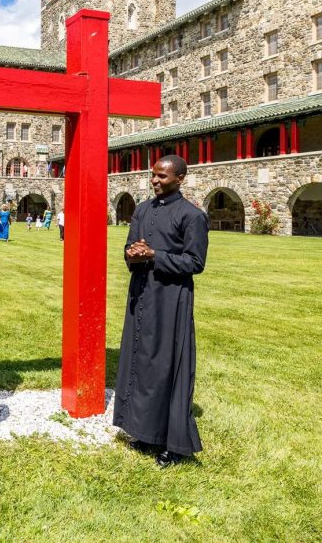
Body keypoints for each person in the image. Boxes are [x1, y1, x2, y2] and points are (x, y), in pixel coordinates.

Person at [113, 155, 208, 469]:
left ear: (180, 178)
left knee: (166, 364)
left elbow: (195, 263)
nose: (155, 181)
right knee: (140, 361)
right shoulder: (142, 210)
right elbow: (130, 249)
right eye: (153, 176)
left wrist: (155, 254)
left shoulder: (191, 216)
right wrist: (133, 254)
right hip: (141, 293)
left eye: (162, 177)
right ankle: (143, 430)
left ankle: (173, 443)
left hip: (171, 297)